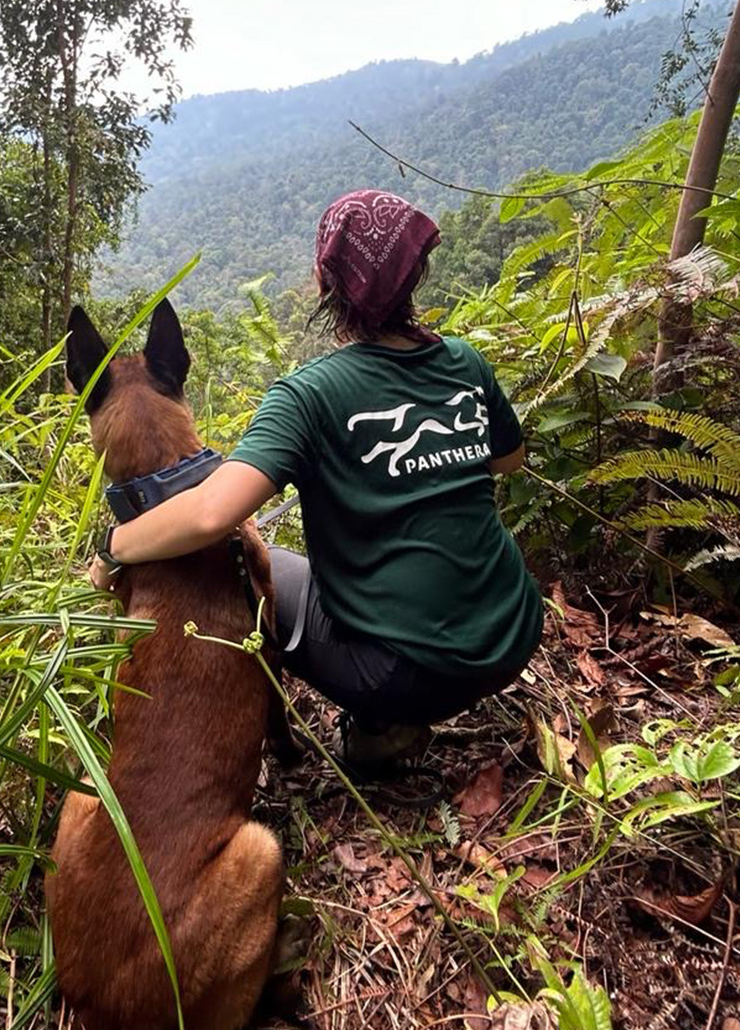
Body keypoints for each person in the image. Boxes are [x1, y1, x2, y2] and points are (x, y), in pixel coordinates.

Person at [89, 189, 544, 767]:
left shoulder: (307, 395)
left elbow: (211, 516)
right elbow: (508, 459)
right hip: (514, 632)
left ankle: (379, 729)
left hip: (403, 677)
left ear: (326, 282)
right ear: (416, 272)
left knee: (254, 561)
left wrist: (114, 549)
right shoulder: (464, 360)